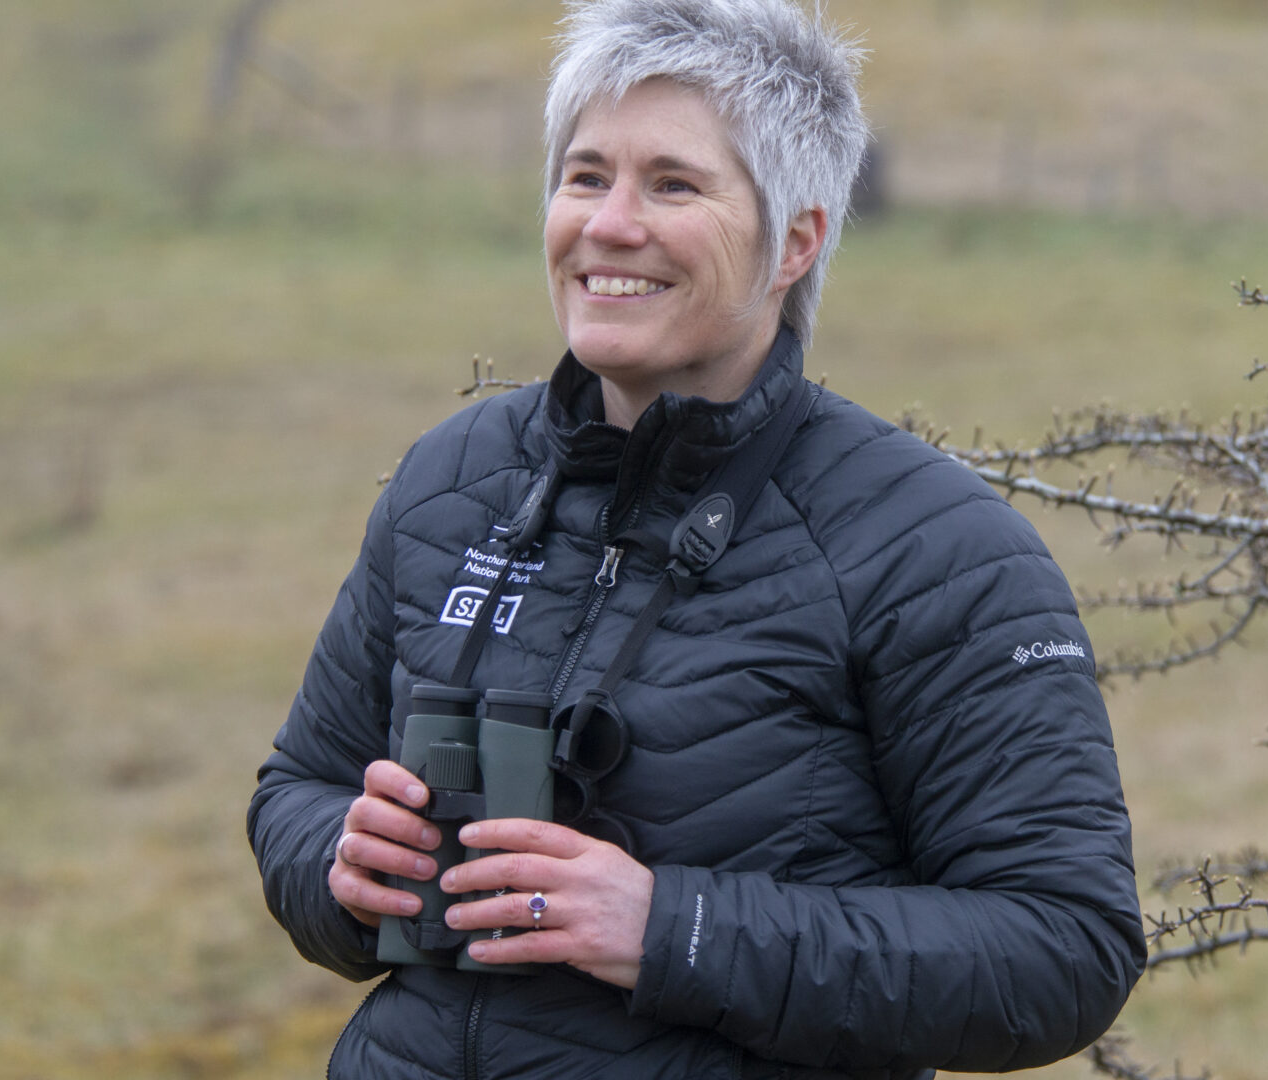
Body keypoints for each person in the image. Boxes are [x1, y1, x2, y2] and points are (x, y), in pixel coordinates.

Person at [247, 1, 1145, 1076]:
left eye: (672, 185)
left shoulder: (932, 548)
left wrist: (671, 930)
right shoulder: (455, 479)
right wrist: (343, 865)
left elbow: (1063, 949)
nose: (609, 225)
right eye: (585, 176)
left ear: (795, 240)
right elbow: (297, 786)